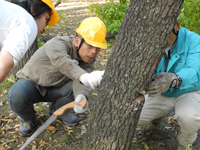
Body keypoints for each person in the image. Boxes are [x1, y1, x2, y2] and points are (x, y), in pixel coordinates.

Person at [7, 17, 107, 137]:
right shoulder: (58, 43)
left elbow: (82, 84)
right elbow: (62, 61)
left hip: (56, 89)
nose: (93, 52)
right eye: (90, 46)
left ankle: (59, 111)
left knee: (77, 88)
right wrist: (84, 76)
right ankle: (28, 119)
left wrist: (81, 96)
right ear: (77, 41)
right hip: (31, 85)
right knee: (17, 94)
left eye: (98, 48)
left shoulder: (88, 60)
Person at [137, 20, 200, 150]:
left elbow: (195, 71)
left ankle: (185, 143)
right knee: (135, 116)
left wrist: (174, 79)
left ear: (176, 26)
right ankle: (157, 117)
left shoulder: (194, 41)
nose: (160, 40)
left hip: (188, 92)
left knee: (190, 117)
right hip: (160, 92)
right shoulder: (148, 40)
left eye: (164, 34)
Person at [0, 0, 59, 83]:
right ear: (34, 9)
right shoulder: (28, 22)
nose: (45, 29)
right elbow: (4, 65)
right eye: (47, 20)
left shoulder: (10, 15)